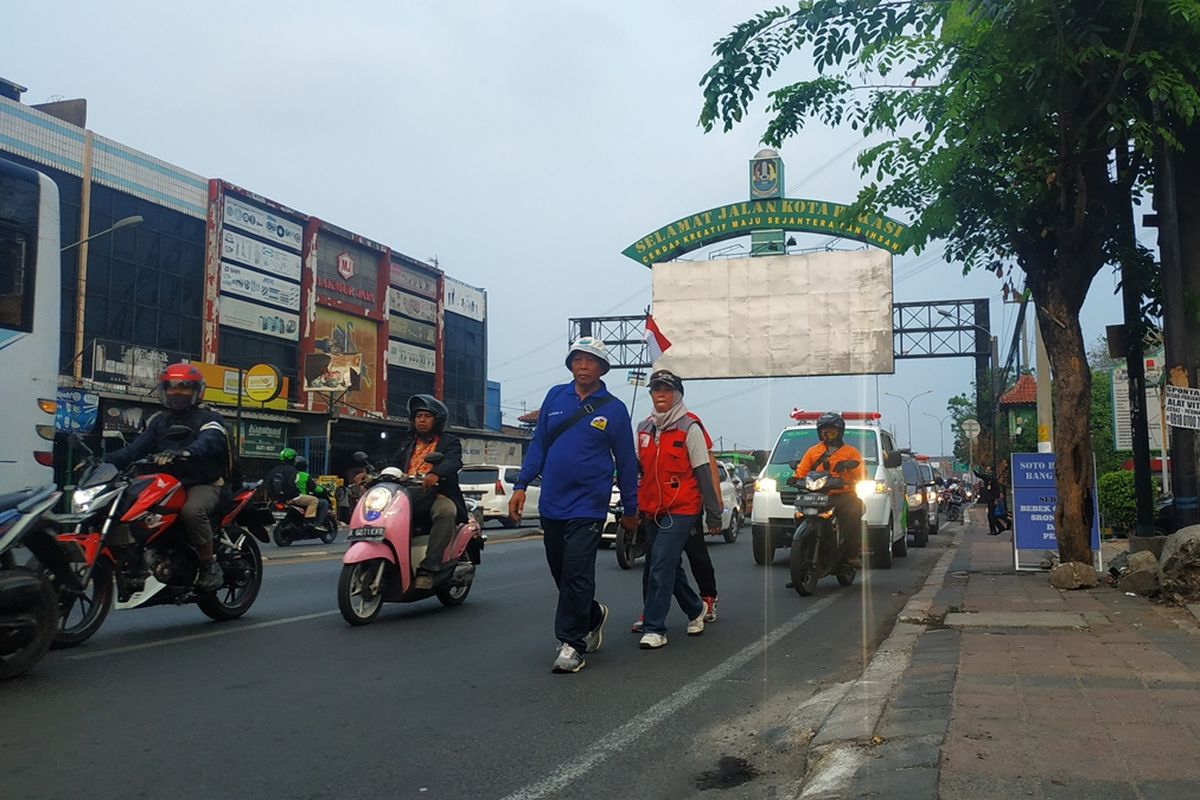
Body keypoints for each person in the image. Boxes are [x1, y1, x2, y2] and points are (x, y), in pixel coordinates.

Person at [508, 336, 638, 674]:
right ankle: (593, 616)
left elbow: (625, 462)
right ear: (571, 364)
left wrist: (631, 509)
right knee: (561, 572)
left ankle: (572, 643)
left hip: (589, 505)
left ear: (602, 368)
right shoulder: (555, 397)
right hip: (552, 502)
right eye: (578, 360)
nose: (583, 366)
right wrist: (521, 485)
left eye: (590, 361)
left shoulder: (614, 409)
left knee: (578, 571)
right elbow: (538, 446)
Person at [104, 362, 228, 591]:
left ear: (196, 392)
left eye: (183, 389)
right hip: (166, 484)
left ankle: (209, 564)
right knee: (130, 510)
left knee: (192, 512)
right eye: (171, 388)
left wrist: (185, 452)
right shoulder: (159, 421)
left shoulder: (210, 419)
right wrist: (104, 461)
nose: (176, 393)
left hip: (201, 482)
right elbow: (133, 450)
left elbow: (208, 441)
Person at [633, 369, 721, 649]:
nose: (660, 394)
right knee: (664, 564)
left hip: (682, 508)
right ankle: (695, 608)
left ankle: (655, 627)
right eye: (655, 389)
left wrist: (713, 512)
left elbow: (703, 472)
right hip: (652, 508)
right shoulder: (644, 428)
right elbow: (638, 470)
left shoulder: (689, 428)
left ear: (677, 395)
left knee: (660, 562)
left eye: (666, 390)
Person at [389, 394, 468, 589]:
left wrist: (435, 474)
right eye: (418, 416)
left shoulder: (449, 442)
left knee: (446, 512)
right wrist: (370, 475)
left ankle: (429, 567)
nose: (421, 420)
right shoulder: (408, 443)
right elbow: (393, 464)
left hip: (438, 494)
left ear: (437, 420)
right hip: (406, 496)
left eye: (427, 416)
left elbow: (453, 461)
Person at [791, 412, 867, 567]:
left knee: (853, 511)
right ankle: (801, 554)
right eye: (825, 432)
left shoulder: (851, 452)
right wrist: (795, 478)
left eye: (832, 431)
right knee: (798, 513)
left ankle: (851, 554)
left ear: (840, 432)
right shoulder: (813, 451)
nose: (828, 435)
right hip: (817, 495)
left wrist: (848, 468)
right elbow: (802, 471)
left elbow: (861, 475)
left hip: (843, 495)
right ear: (820, 433)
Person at [293, 456, 332, 530]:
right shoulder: (304, 476)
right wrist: (324, 490)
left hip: (288, 497)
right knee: (324, 503)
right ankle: (317, 523)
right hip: (301, 498)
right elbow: (315, 488)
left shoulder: (289, 473)